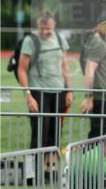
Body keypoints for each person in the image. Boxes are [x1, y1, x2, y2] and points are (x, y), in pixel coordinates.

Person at [16, 12, 73, 168]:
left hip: (59, 92)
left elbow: (65, 67)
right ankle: (32, 173)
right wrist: (28, 96)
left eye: (49, 28)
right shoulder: (31, 41)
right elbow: (22, 69)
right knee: (39, 134)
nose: (46, 32)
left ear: (54, 26)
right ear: (38, 27)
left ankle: (50, 171)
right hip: (38, 92)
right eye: (43, 28)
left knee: (55, 134)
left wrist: (69, 91)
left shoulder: (60, 39)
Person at [80, 16, 106, 138]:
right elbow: (89, 70)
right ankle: (91, 157)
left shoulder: (104, 42)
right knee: (99, 137)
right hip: (102, 99)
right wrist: (88, 97)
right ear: (102, 26)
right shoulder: (97, 43)